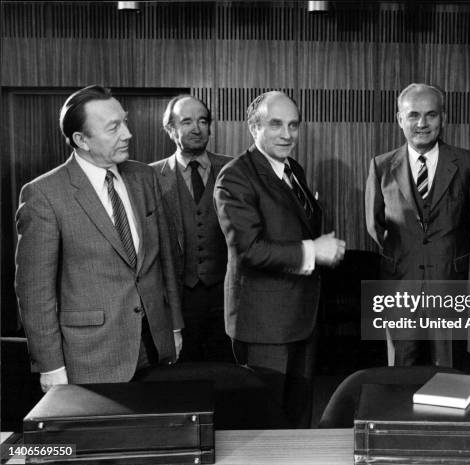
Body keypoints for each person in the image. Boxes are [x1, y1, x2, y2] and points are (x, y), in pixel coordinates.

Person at [14, 85, 183, 392]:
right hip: (90, 356)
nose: (128, 133)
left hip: (154, 345)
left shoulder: (145, 177)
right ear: (81, 140)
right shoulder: (44, 195)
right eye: (114, 127)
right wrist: (51, 365)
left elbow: (166, 259)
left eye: (125, 121)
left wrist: (174, 325)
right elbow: (34, 292)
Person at [214, 91, 346, 427]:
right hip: (264, 323)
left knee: (299, 415)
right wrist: (312, 250)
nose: (287, 134)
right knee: (266, 422)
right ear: (253, 127)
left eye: (293, 125)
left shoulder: (293, 169)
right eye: (276, 125)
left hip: (302, 316)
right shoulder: (235, 177)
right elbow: (249, 249)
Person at [365, 83, 470, 367]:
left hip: (450, 287)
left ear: (443, 118)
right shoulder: (381, 166)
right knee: (401, 372)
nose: (422, 123)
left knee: (451, 373)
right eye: (413, 115)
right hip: (400, 288)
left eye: (431, 115)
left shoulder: (468, 163)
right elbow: (375, 225)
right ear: (399, 119)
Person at [151, 95, 233, 363]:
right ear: (171, 129)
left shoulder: (234, 170)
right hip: (179, 299)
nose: (197, 128)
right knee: (184, 377)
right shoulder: (151, 177)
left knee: (230, 377)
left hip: (227, 294)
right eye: (187, 122)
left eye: (203, 121)